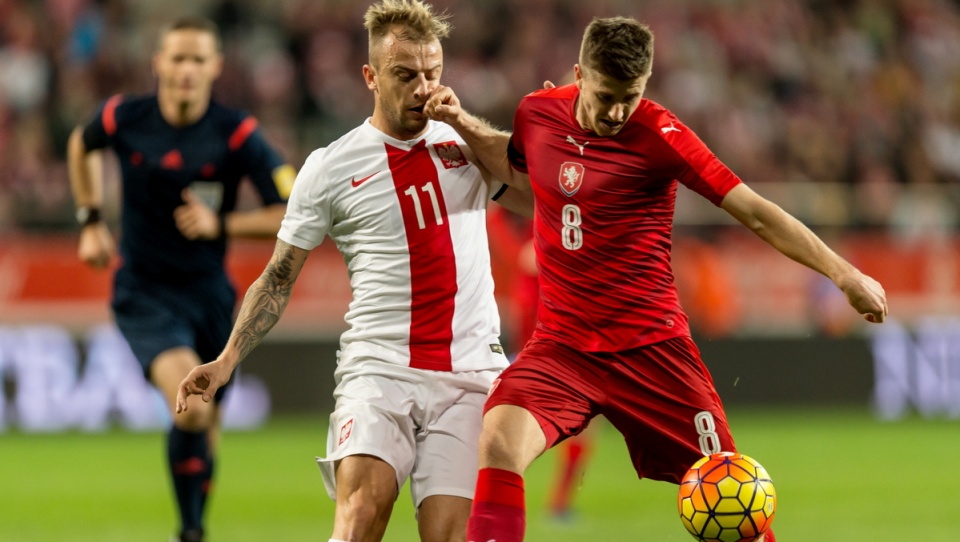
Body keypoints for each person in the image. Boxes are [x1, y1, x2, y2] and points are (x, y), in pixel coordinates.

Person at [425, 15, 888, 542]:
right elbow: (517, 175)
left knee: (732, 500)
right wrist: (461, 120)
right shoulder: (537, 113)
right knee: (499, 441)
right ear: (579, 73)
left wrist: (844, 274)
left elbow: (755, 212)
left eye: (631, 96)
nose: (618, 111)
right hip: (563, 347)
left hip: (653, 350)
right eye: (605, 96)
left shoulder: (661, 135)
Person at [175, 2, 531, 541]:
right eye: (405, 74)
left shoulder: (467, 144)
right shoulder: (330, 167)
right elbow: (278, 276)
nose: (422, 88)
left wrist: (464, 122)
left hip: (468, 373)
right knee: (364, 508)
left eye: (432, 74)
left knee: (449, 536)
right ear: (371, 76)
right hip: (378, 369)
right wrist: (226, 361)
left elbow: (537, 198)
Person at [67, 16, 294, 542]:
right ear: (159, 64)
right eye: (178, 58)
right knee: (193, 407)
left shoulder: (237, 133)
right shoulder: (126, 116)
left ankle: (195, 526)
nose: (187, 69)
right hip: (144, 294)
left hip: (211, 298)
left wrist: (223, 224)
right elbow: (82, 144)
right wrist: (90, 220)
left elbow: (288, 210)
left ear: (215, 67)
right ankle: (189, 533)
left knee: (205, 422)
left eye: (198, 59)